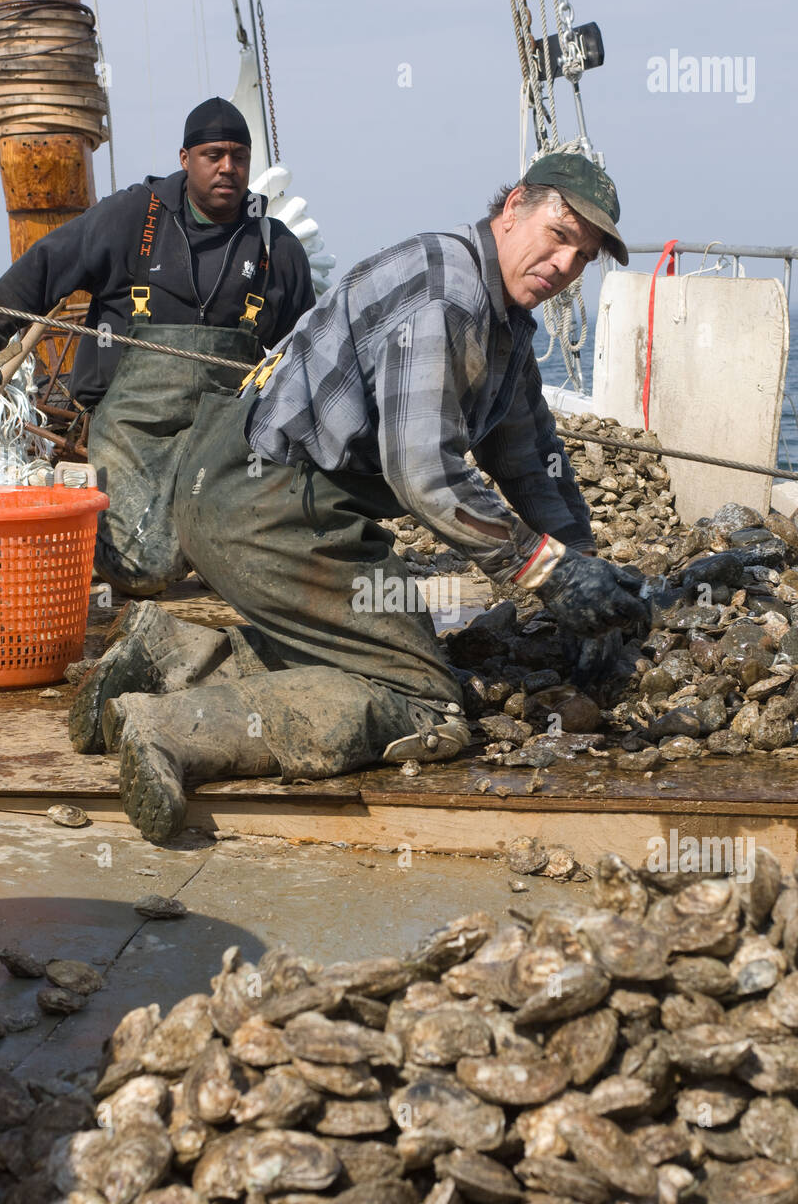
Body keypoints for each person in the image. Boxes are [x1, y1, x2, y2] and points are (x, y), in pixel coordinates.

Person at [69, 151, 651, 843]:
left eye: (583, 257)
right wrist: (548, 574)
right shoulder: (448, 298)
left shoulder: (503, 323)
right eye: (559, 236)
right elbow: (423, 474)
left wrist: (585, 565)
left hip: (246, 485)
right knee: (422, 698)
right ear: (514, 206)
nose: (564, 266)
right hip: (268, 501)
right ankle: (171, 729)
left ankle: (173, 652)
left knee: (376, 645)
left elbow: (528, 462)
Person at [0, 97, 315, 594]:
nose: (228, 168)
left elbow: (304, 351)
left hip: (223, 435)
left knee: (265, 565)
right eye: (213, 155)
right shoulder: (134, 217)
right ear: (185, 159)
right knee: (142, 570)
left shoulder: (273, 248)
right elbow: (41, 269)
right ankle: (100, 548)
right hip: (130, 428)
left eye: (239, 157)